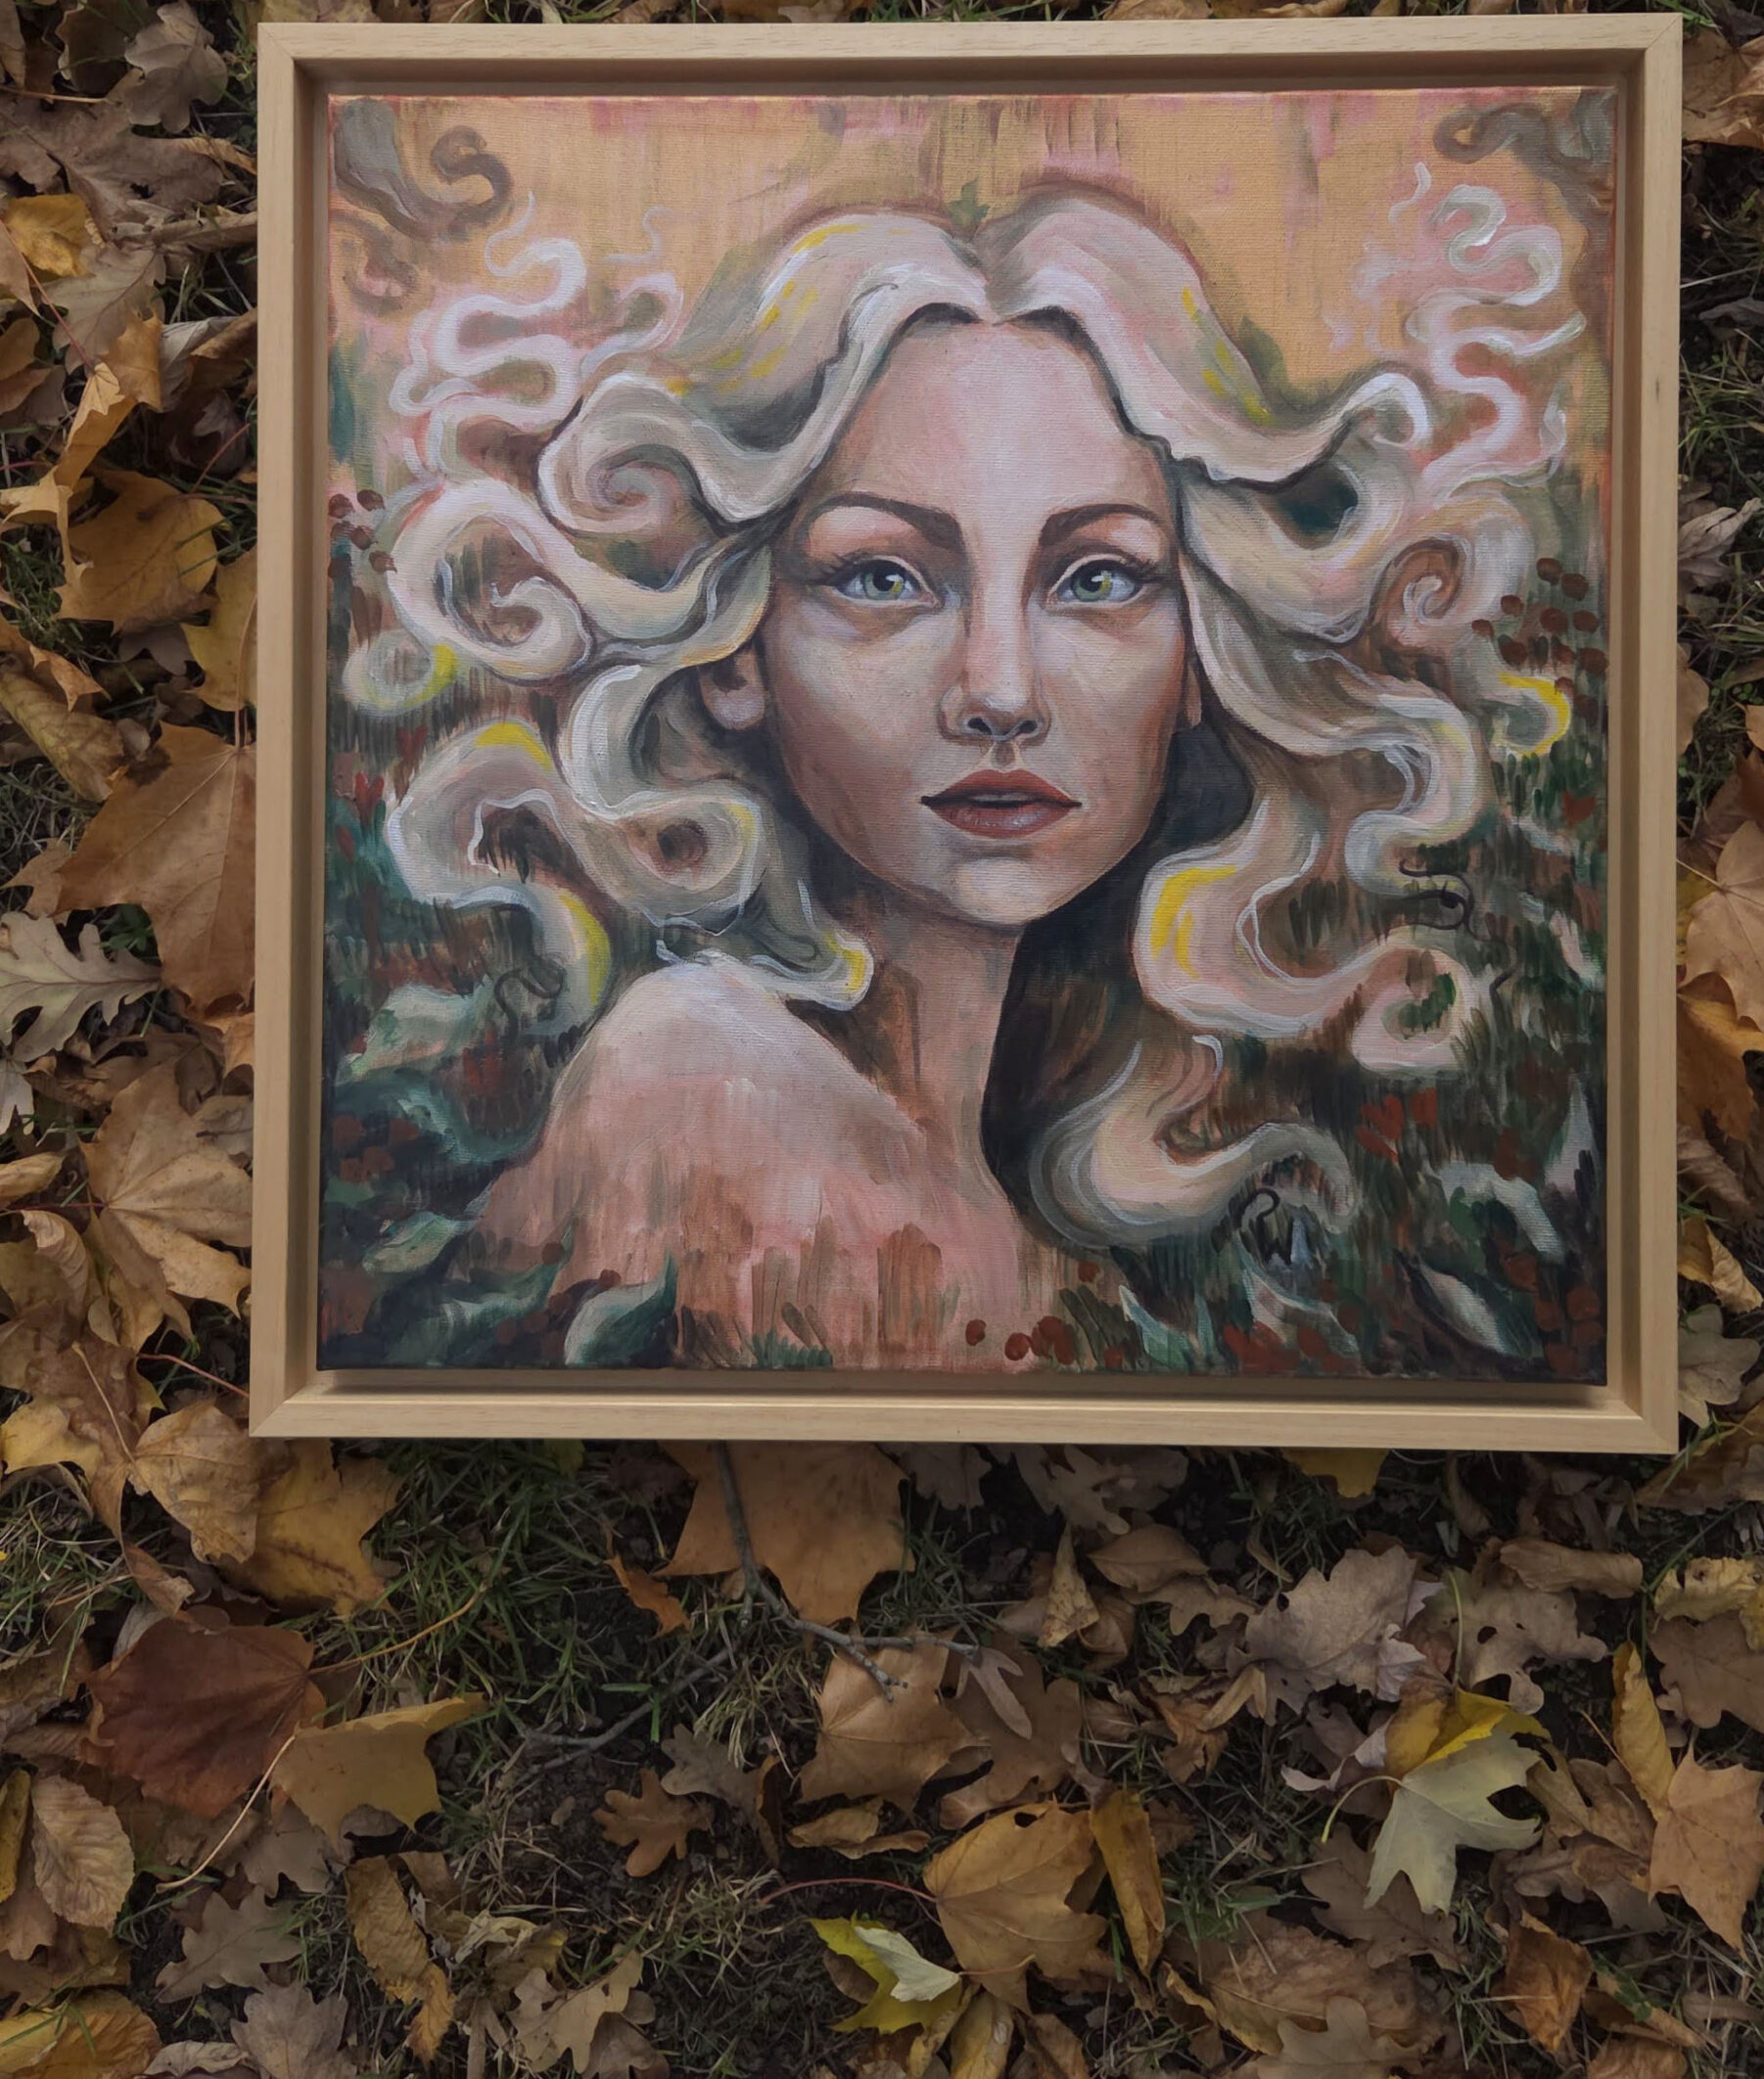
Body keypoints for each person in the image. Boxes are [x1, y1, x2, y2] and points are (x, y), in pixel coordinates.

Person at [356, 183, 1588, 1370]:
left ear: (1200, 660)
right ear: (737, 653)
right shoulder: (706, 1095)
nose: (1000, 690)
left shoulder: (994, 1156)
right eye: (883, 577)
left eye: (1098, 579)